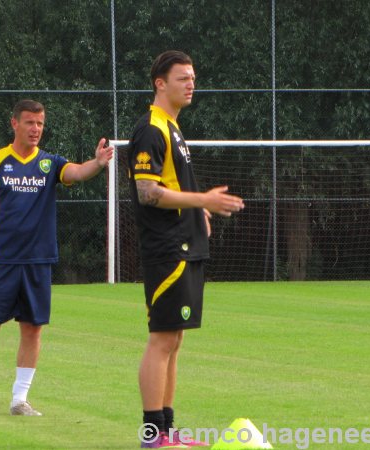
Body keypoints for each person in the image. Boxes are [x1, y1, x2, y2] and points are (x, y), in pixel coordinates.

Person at [0, 99, 114, 418]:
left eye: (40, 123)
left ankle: (19, 399)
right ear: (14, 124)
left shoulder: (49, 164)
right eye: (29, 122)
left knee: (32, 330)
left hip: (38, 261)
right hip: (1, 261)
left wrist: (96, 163)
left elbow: (77, 172)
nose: (35, 129)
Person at [127, 51, 244, 448]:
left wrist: (200, 216)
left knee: (174, 339)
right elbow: (147, 193)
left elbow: (173, 186)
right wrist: (202, 202)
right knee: (161, 338)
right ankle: (152, 434)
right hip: (167, 247)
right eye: (183, 78)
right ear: (160, 82)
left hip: (186, 242)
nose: (191, 84)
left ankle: (166, 431)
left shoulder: (173, 128)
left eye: (193, 77)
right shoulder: (151, 130)